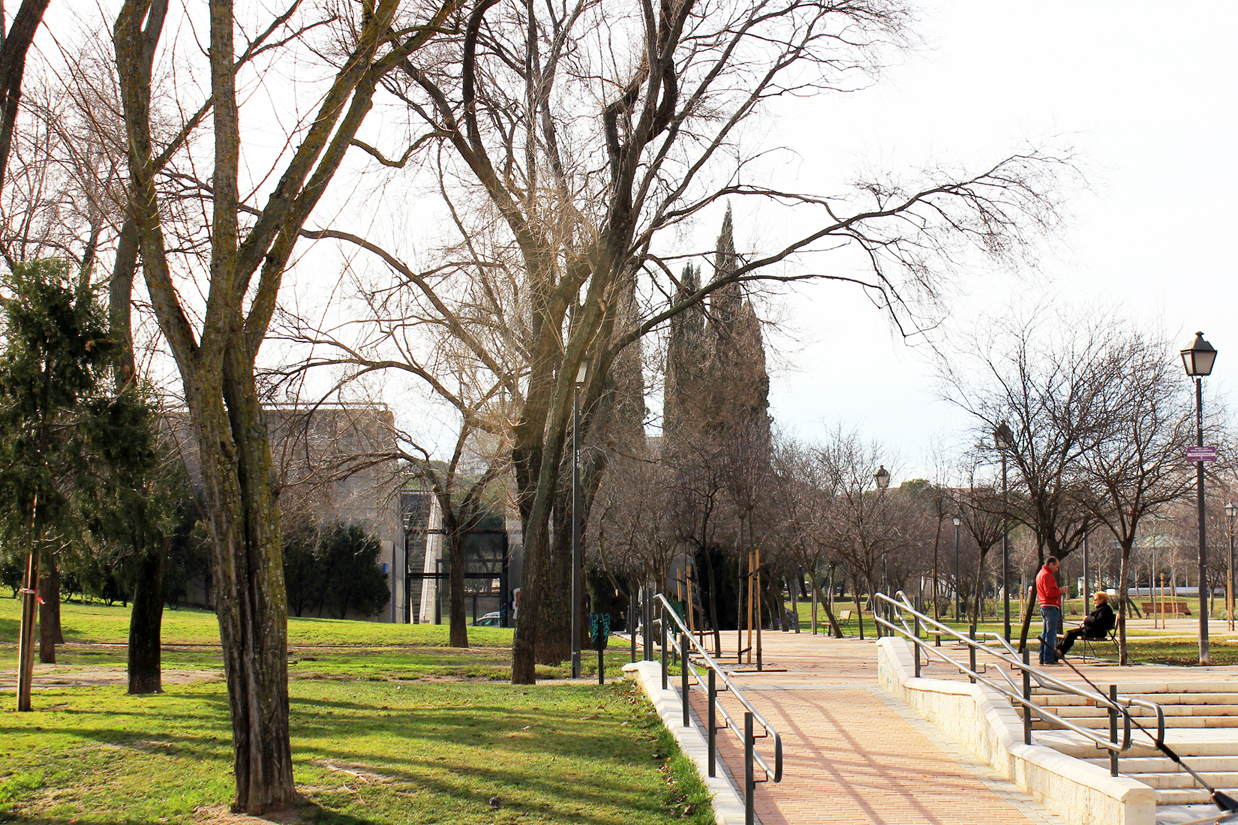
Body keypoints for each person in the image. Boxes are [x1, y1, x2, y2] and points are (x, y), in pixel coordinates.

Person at [1057, 592, 1116, 657]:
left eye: (1096, 599)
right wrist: (1088, 619)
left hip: (1097, 632)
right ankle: (1057, 651)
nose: (1094, 602)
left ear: (1101, 600)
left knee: (1070, 634)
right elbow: (1093, 620)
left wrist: (1086, 619)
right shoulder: (1101, 609)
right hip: (1091, 630)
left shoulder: (1105, 609)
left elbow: (1097, 621)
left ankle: (1059, 653)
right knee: (1069, 633)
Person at [1036, 557, 1062, 665]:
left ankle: (1042, 657)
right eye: (1056, 567)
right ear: (1051, 564)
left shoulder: (1040, 574)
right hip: (1050, 606)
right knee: (1050, 634)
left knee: (1045, 633)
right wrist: (1060, 591)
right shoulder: (1047, 575)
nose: (1057, 569)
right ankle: (1048, 658)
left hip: (1044, 605)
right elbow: (1050, 593)